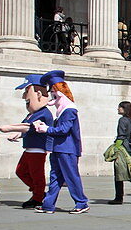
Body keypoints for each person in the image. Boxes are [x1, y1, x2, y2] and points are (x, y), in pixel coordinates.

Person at [32, 70, 88, 214]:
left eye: (53, 93)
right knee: (55, 177)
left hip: (67, 149)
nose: (51, 96)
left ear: (60, 93)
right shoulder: (62, 110)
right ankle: (48, 205)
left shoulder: (69, 110)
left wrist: (46, 129)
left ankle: (81, 202)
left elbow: (64, 130)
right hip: (59, 148)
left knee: (70, 177)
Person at [0, 74, 53, 209]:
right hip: (29, 148)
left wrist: (9, 128)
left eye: (27, 91)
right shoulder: (32, 114)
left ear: (38, 93)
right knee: (21, 171)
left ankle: (38, 197)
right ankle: (38, 192)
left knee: (36, 175)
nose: (24, 96)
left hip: (38, 149)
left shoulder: (44, 113)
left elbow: (31, 127)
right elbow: (25, 128)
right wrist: (17, 134)